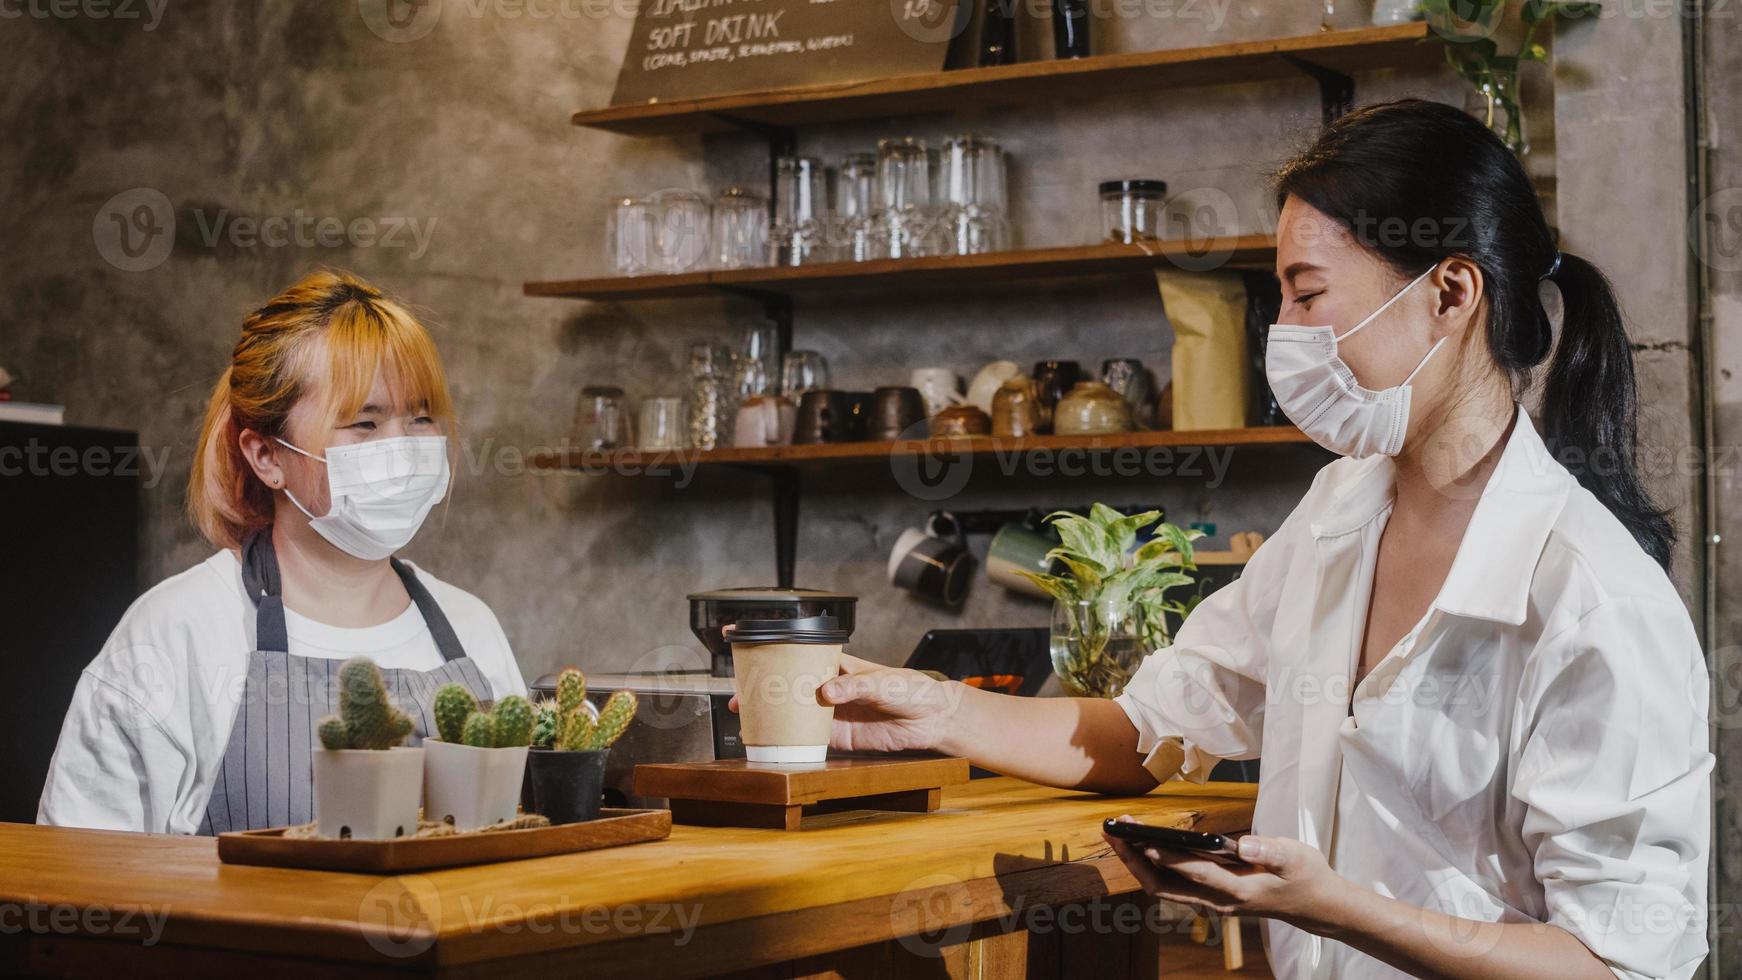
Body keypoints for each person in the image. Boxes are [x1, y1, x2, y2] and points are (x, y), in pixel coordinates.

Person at [797, 101, 1711, 979]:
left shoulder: (1596, 599)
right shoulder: (1337, 512)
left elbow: (1612, 964)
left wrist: (1336, 907)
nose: (1289, 335)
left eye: (1307, 294)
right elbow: (1150, 730)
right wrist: (940, 711)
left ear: (1453, 292)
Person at [39, 270, 527, 835]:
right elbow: (77, 883)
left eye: (420, 418)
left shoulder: (473, 628)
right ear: (266, 456)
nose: (402, 448)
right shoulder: (177, 635)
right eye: (364, 423)